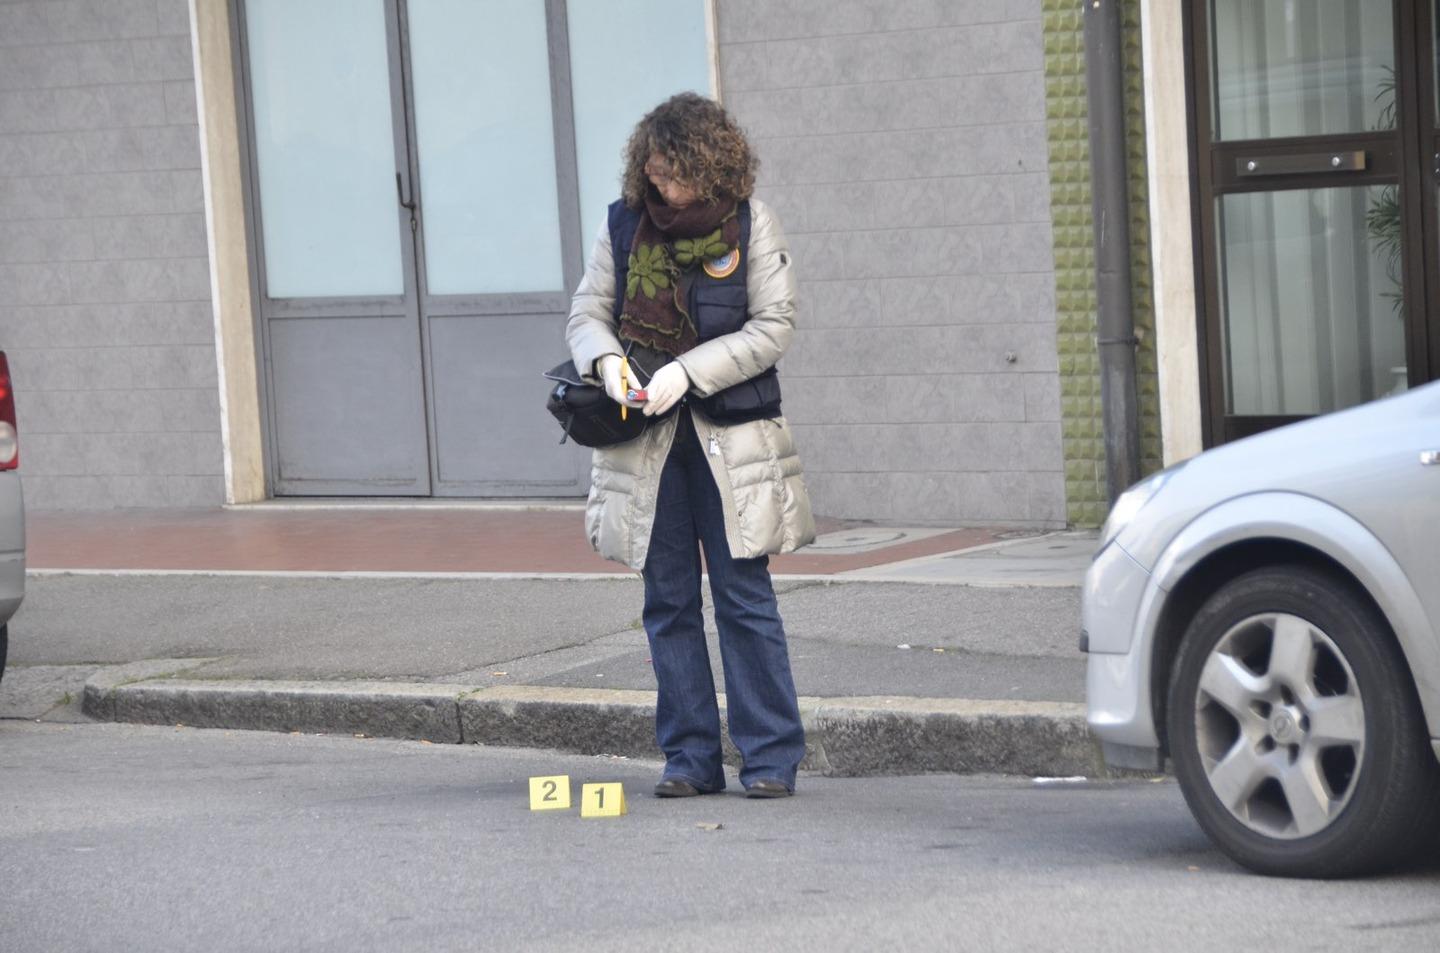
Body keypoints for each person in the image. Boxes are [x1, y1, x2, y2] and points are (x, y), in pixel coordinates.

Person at [566, 92, 815, 799]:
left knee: (743, 596)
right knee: (667, 600)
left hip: (729, 439)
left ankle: (769, 756)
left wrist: (686, 371)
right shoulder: (624, 225)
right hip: (645, 439)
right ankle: (689, 758)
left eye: (675, 175)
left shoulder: (750, 223)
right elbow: (588, 311)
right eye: (654, 175)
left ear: (710, 167)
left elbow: (773, 325)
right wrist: (606, 362)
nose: (663, 188)